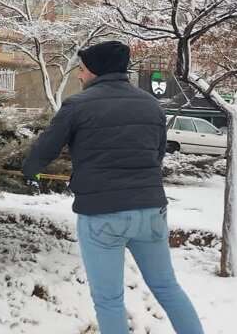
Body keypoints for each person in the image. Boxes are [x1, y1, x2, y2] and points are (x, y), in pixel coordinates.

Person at [22, 41, 204, 334]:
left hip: (102, 215)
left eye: (81, 70)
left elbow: (45, 150)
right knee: (167, 286)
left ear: (95, 71)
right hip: (151, 211)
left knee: (108, 300)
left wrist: (28, 171)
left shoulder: (77, 105)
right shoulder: (151, 104)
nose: (79, 76)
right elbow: (157, 155)